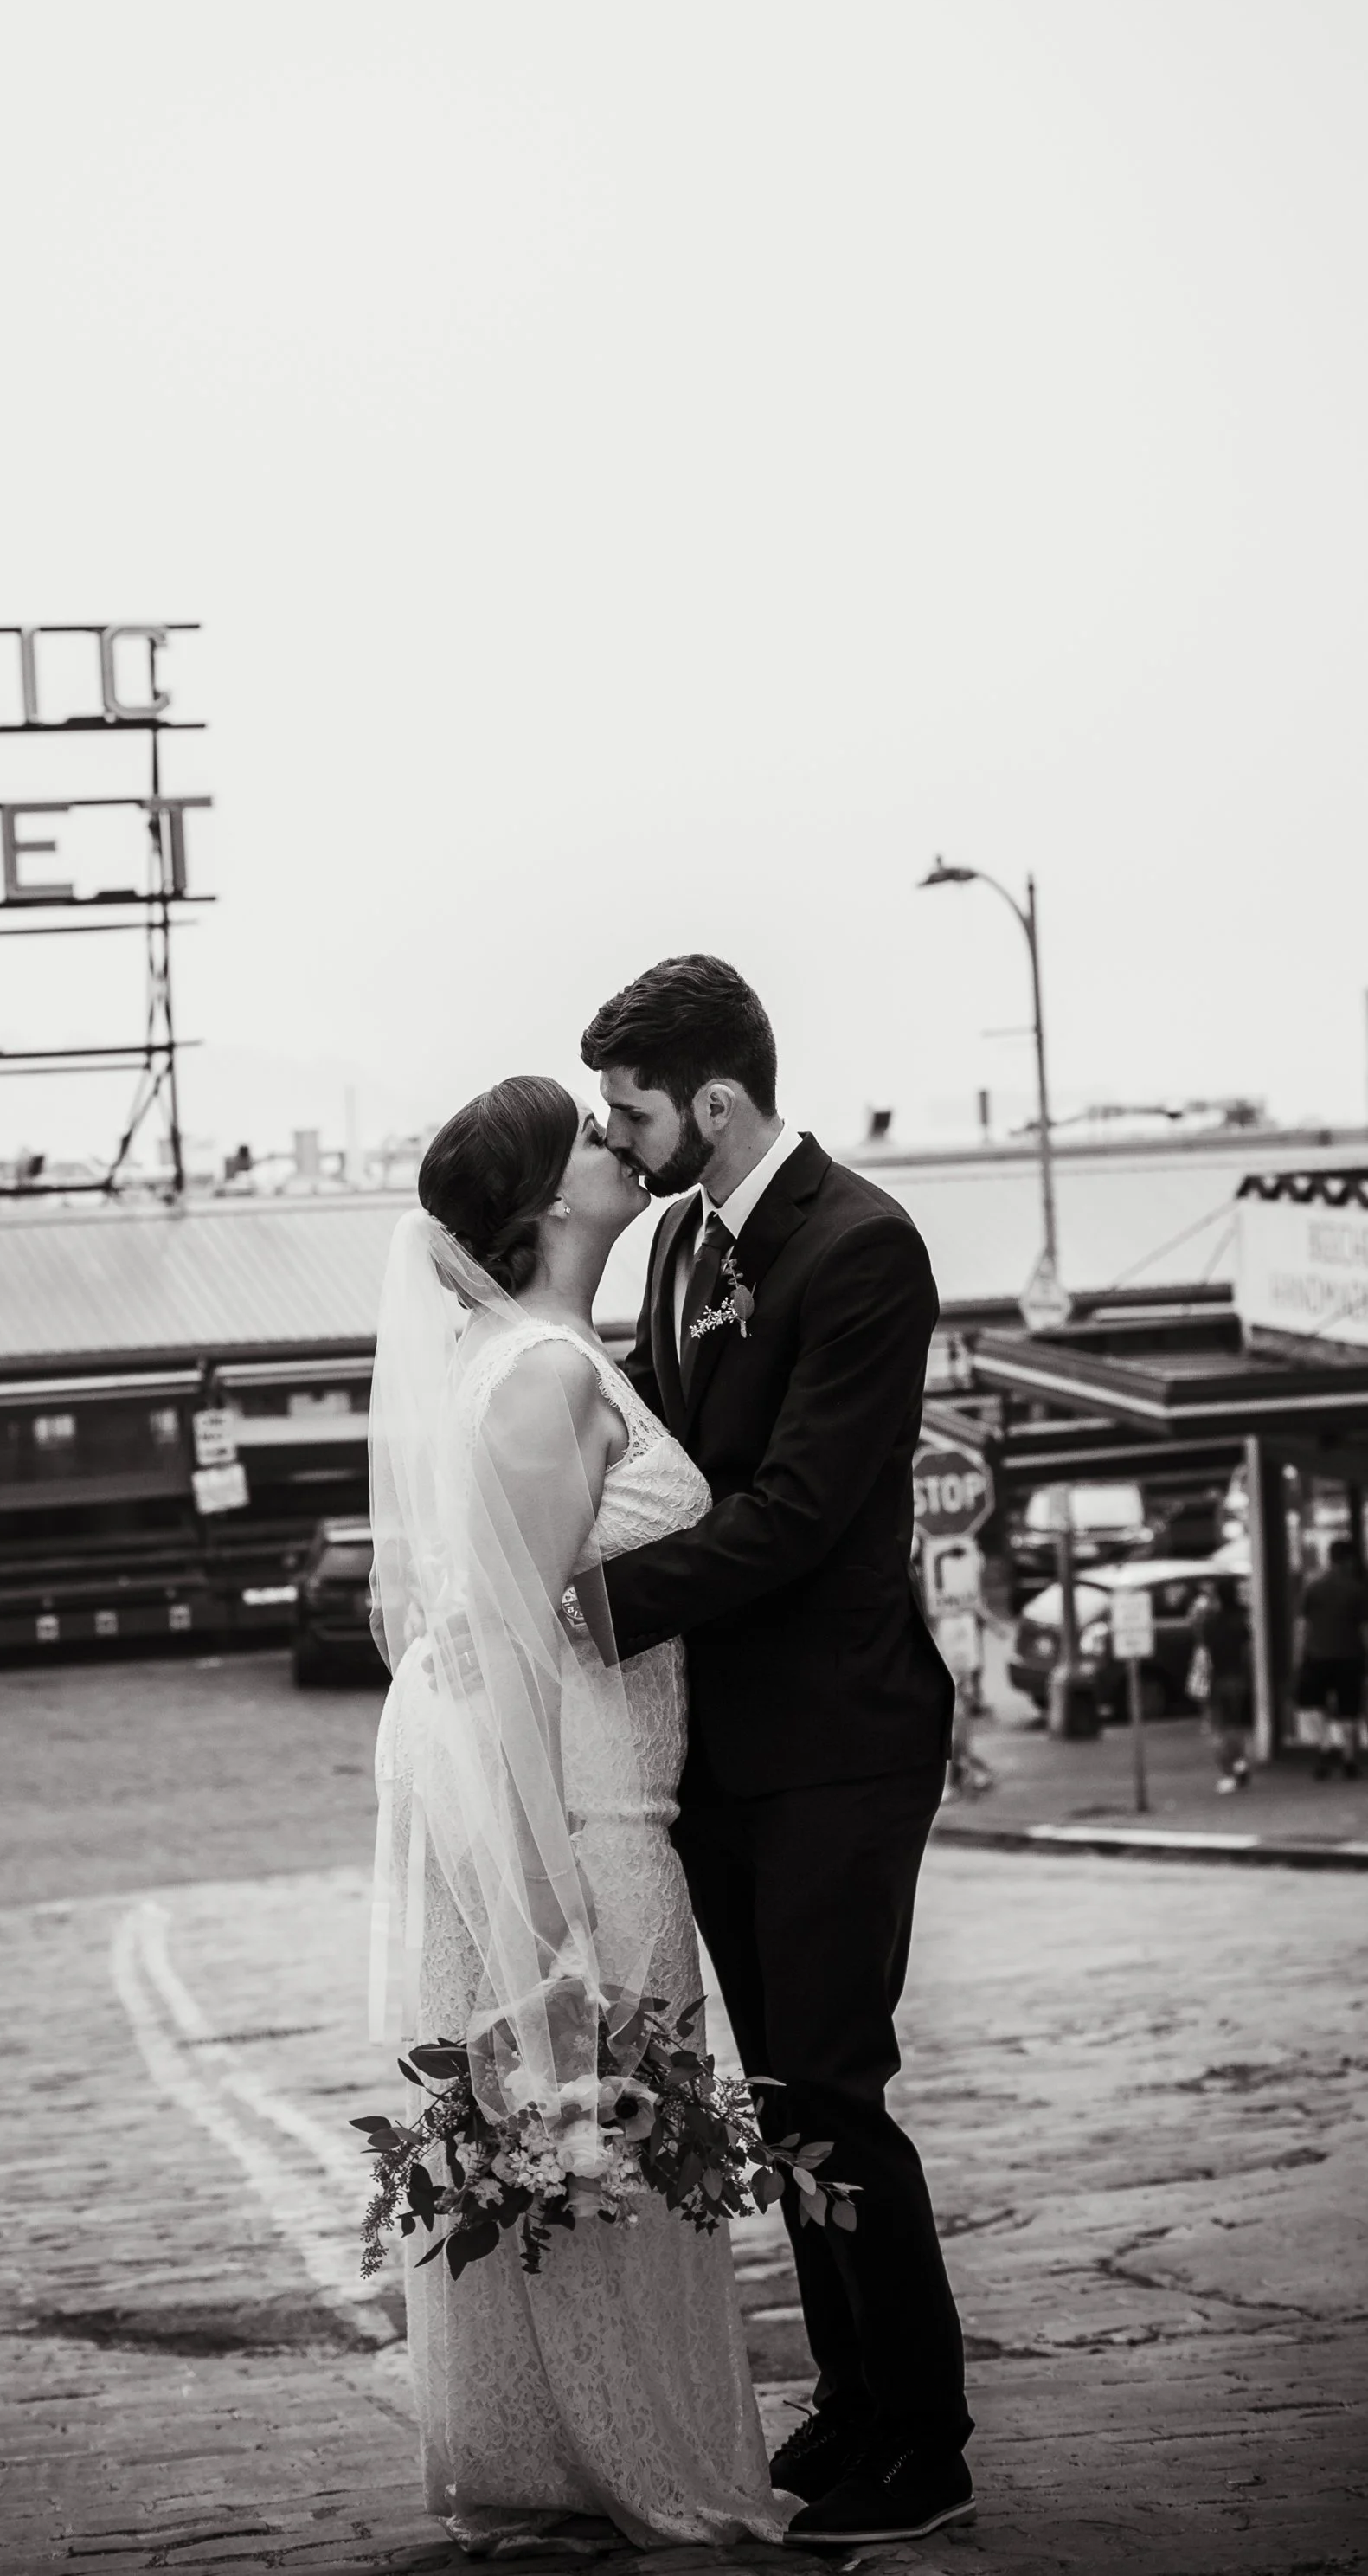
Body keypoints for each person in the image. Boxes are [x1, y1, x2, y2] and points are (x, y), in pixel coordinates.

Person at [581, 955, 973, 2553]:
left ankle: (925, 2438)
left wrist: (588, 1601)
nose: (617, 1134)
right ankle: (848, 2401)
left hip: (837, 1736)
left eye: (632, 1108)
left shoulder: (864, 1245)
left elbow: (802, 1511)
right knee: (776, 2095)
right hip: (720, 1749)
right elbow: (674, 1466)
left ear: (715, 1100)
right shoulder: (677, 1238)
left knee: (836, 2082)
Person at [370, 1075, 788, 2555]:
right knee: (609, 2140)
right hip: (591, 1816)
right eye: (595, 1141)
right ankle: (632, 2454)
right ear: (552, 1203)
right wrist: (547, 1894)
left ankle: (565, 2450)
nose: (623, 1149)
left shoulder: (535, 1349)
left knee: (591, 2148)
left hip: (607, 1801)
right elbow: (527, 1649)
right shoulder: (540, 1375)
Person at [1294, 1536, 1368, 1782]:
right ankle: (1348, 1758)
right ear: (1349, 1560)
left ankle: (1325, 1747)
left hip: (1316, 1655)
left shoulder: (1313, 1587)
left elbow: (1302, 1626)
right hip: (1349, 1655)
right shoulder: (1357, 1590)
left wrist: (1300, 1655)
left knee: (1315, 1707)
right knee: (1350, 1710)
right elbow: (1364, 1629)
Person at [1193, 1577, 1254, 1792]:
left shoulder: (1211, 1623)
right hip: (1238, 1677)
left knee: (1219, 1729)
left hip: (1217, 1679)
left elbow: (1203, 1653)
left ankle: (1228, 1773)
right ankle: (1240, 1762)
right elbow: (1249, 1651)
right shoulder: (1241, 1621)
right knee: (1237, 1726)